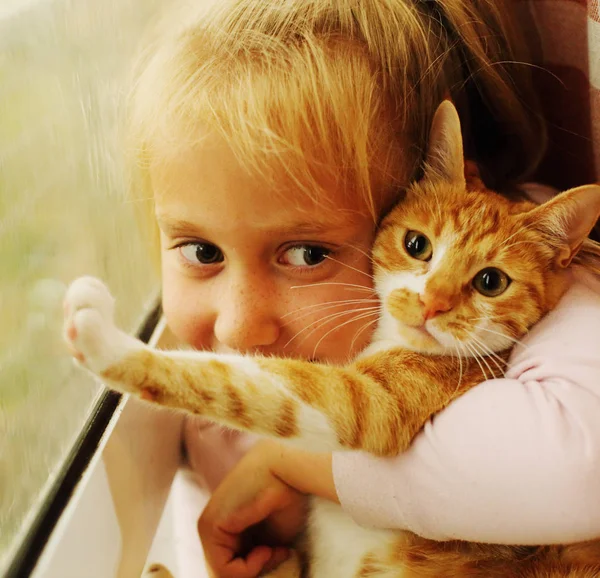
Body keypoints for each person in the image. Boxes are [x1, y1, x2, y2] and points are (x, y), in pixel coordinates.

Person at [126, 1, 600, 576]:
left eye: (307, 254)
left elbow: (578, 471)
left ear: (421, 188)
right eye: (202, 252)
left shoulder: (539, 269)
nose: (238, 327)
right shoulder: (196, 423)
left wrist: (291, 463)